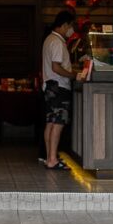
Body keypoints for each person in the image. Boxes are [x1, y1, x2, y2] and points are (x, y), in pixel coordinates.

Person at [42, 10, 82, 170]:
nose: (71, 30)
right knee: (58, 123)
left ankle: (49, 157)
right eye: (71, 26)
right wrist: (72, 75)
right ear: (65, 25)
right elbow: (56, 67)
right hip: (59, 86)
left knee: (50, 123)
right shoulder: (58, 42)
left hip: (50, 86)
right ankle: (52, 159)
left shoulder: (49, 39)